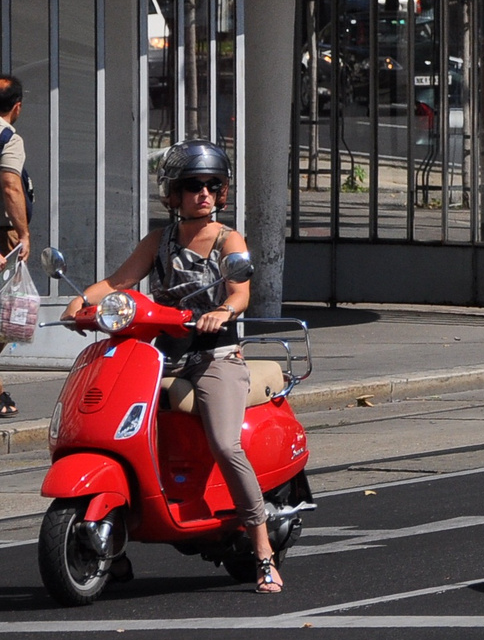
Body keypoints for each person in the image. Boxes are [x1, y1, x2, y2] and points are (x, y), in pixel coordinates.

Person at [61, 140, 281, 594]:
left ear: (221, 192)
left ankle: (262, 552)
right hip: (161, 356)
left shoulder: (227, 239)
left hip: (215, 356)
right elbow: (119, 282)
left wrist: (225, 311)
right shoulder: (158, 240)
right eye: (192, 185)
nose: (203, 193)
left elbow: (240, 291)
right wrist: (80, 301)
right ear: (173, 194)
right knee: (119, 427)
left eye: (212, 185)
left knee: (224, 441)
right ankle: (117, 537)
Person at [0, 74, 31, 420]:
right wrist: (22, 234)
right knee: (9, 317)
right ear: (17, 107)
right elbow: (10, 186)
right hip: (3, 235)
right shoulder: (7, 136)